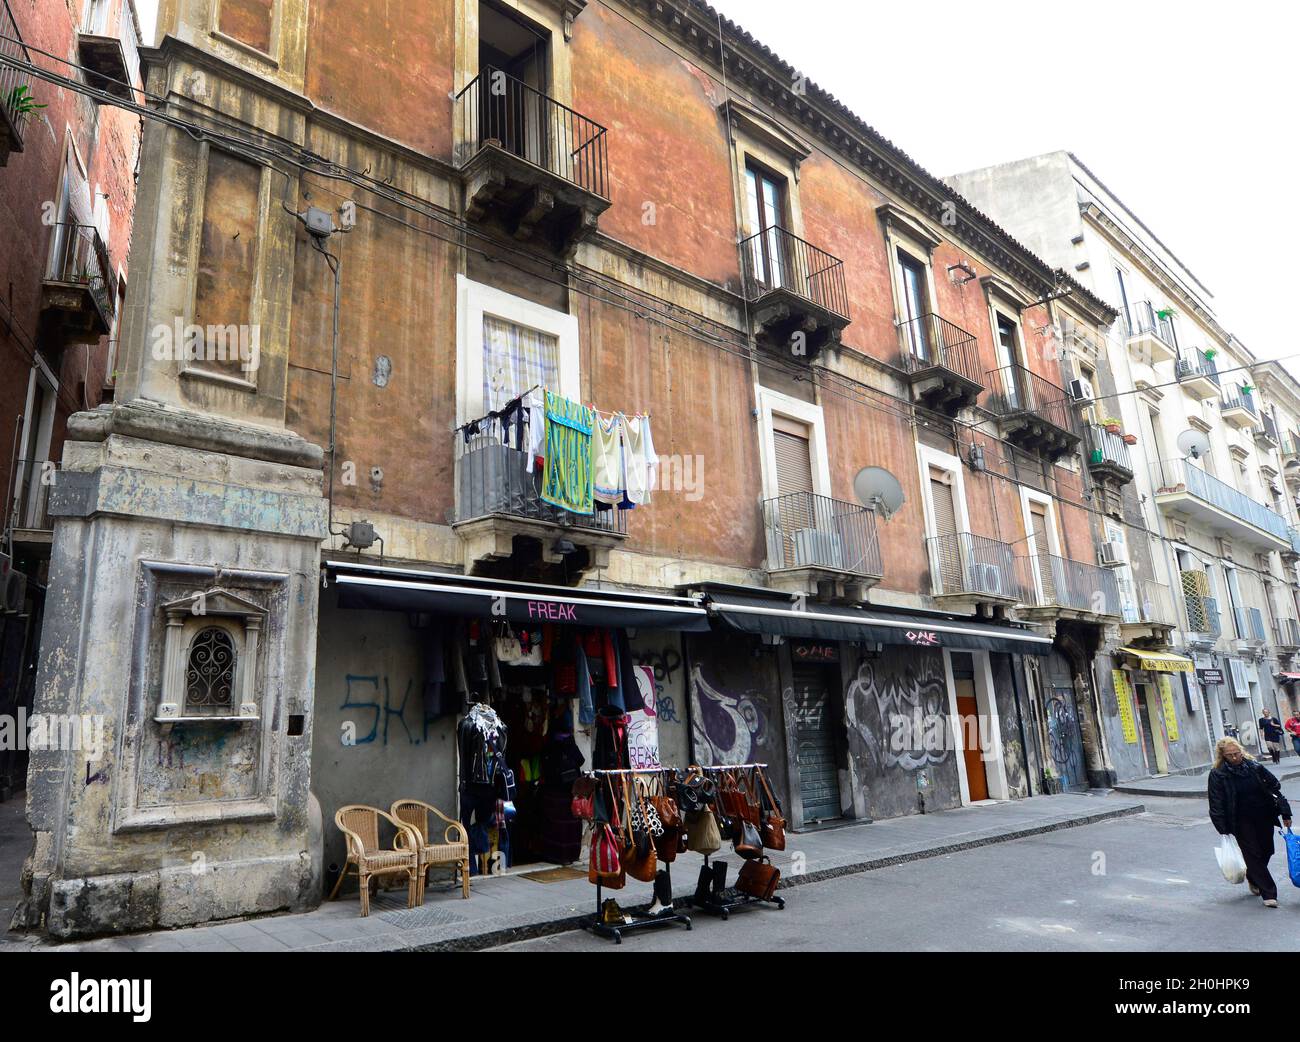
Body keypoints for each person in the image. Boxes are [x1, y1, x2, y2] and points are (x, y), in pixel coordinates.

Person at [1207, 737, 1292, 908]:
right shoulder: (1218, 774)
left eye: (1236, 753)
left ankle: (1253, 877)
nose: (1235, 757)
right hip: (1240, 820)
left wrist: (1285, 812)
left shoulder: (1254, 767)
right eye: (1230, 755)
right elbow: (1215, 801)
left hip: (1263, 815)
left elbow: (1274, 787)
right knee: (1252, 853)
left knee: (1267, 850)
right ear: (1223, 756)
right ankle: (1269, 893)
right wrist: (1222, 827)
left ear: (1241, 751)